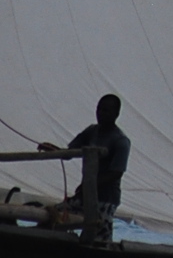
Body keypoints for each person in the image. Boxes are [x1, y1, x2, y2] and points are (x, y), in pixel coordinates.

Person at [39, 93, 130, 240]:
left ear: (116, 114)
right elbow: (69, 153)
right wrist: (53, 150)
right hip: (85, 194)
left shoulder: (121, 141)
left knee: (98, 236)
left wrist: (89, 185)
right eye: (99, 109)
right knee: (52, 216)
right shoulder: (92, 131)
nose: (101, 113)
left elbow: (116, 173)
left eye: (106, 110)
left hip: (105, 200)